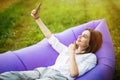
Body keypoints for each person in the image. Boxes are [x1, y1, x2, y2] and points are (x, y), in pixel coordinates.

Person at [0, 4, 103, 80]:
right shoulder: (68, 49)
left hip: (58, 77)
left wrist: (71, 52)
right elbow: (51, 39)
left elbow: (74, 74)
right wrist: (37, 19)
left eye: (84, 36)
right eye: (81, 34)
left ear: (90, 43)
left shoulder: (90, 57)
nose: (80, 36)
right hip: (44, 71)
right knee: (12, 75)